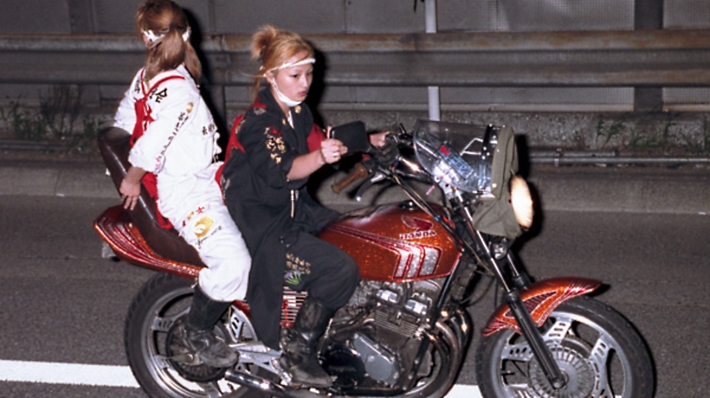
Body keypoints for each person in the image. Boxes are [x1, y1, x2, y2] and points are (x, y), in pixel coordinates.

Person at [221, 25, 386, 387]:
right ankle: (299, 349)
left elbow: (321, 141)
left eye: (309, 73)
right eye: (295, 75)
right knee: (339, 268)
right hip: (265, 225)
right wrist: (320, 158)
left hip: (297, 211)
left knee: (358, 235)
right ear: (271, 76)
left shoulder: (298, 112)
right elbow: (284, 169)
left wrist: (372, 141)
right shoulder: (258, 124)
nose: (305, 82)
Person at [113, 0, 250, 369]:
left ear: (145, 37)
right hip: (189, 194)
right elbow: (151, 141)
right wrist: (131, 177)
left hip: (205, 179)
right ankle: (196, 331)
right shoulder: (178, 89)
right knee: (235, 263)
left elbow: (122, 123)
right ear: (188, 33)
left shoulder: (149, 77)